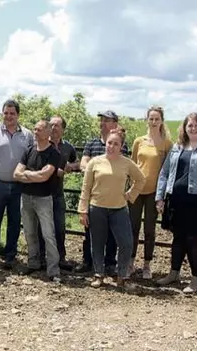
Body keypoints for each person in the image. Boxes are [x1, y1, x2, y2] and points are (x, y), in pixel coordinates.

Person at [156, 112, 197, 294]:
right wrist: (160, 197)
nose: (192, 128)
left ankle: (196, 279)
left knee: (192, 239)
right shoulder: (177, 148)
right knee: (177, 238)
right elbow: (164, 173)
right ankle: (174, 273)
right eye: (189, 125)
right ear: (184, 128)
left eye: (196, 125)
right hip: (176, 200)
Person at [78, 129, 145, 290]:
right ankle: (98, 274)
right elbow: (86, 187)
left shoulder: (126, 163)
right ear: (105, 143)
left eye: (116, 144)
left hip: (119, 209)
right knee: (97, 243)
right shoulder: (95, 162)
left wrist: (131, 195)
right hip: (97, 208)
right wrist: (83, 210)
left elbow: (140, 179)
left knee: (126, 243)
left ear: (121, 146)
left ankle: (122, 276)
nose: (112, 146)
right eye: (109, 143)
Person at [0, 99, 34, 269]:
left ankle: (10, 254)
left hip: (19, 185)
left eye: (12, 113)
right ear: (2, 113)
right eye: (6, 113)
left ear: (18, 115)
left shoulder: (27, 135)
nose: (9, 116)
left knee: (15, 221)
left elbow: (32, 158)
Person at [77, 110, 130, 274]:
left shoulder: (122, 145)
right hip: (94, 196)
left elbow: (124, 167)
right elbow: (83, 163)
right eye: (101, 120)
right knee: (91, 232)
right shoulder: (92, 143)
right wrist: (95, 169)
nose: (102, 123)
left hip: (114, 197)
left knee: (113, 234)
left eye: (107, 120)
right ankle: (88, 262)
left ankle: (109, 264)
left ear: (115, 124)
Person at [13, 120, 62, 282]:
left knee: (48, 234)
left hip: (44, 199)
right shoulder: (28, 151)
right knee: (29, 231)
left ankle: (53, 269)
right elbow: (16, 174)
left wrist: (26, 175)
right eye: (34, 129)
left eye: (39, 129)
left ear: (48, 132)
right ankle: (33, 263)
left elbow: (45, 176)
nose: (36, 132)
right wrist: (34, 176)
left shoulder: (54, 154)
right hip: (26, 197)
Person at [129, 106, 173, 279]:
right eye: (151, 119)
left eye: (157, 119)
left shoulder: (167, 143)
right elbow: (132, 165)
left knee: (149, 229)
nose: (154, 122)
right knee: (132, 227)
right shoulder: (139, 141)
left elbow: (168, 169)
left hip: (154, 192)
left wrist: (163, 195)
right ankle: (130, 262)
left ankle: (147, 264)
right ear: (146, 120)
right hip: (136, 190)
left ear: (162, 121)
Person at [37, 116, 78, 271]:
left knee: (60, 227)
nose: (54, 128)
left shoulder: (68, 148)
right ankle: (41, 258)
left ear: (63, 129)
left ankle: (61, 258)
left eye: (57, 125)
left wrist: (69, 167)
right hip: (41, 192)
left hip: (57, 193)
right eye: (51, 125)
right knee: (41, 227)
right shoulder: (40, 145)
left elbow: (78, 162)